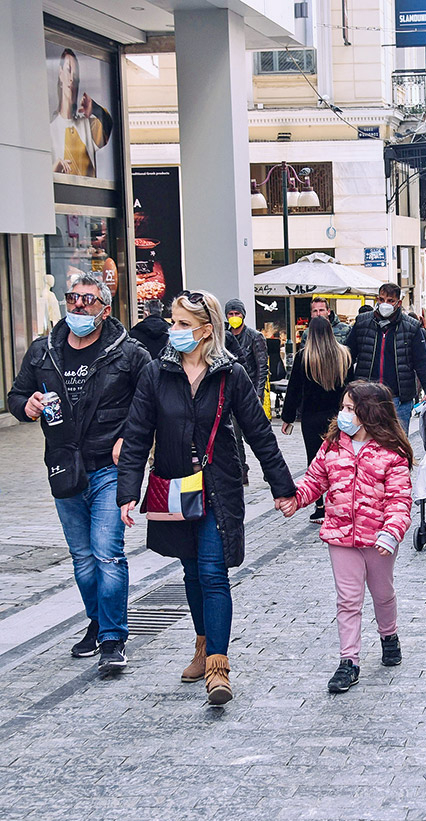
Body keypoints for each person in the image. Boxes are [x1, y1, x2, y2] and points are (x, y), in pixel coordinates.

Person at [117, 291, 295, 705]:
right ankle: (202, 645)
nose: (173, 330)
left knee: (214, 573)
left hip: (218, 487)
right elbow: (138, 432)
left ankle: (218, 665)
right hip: (175, 486)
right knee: (192, 573)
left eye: (182, 324)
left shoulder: (230, 373)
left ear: (205, 330)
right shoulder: (157, 373)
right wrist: (128, 490)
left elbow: (259, 433)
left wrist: (283, 486)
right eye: (173, 322)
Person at [8, 272, 150, 673]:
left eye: (87, 300)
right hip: (64, 466)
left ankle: (112, 637)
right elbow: (16, 396)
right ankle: (97, 620)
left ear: (105, 309)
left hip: (107, 467)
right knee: (83, 558)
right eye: (73, 298)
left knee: (107, 555)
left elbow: (148, 404)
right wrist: (27, 406)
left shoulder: (129, 354)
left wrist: (131, 439)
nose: (78, 306)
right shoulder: (43, 351)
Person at [277, 381, 413, 694]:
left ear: (370, 413)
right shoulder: (333, 445)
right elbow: (315, 479)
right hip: (340, 535)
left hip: (378, 540)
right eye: (343, 408)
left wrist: (391, 531)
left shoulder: (391, 452)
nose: (343, 414)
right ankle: (348, 660)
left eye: (350, 409)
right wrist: (296, 499)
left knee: (383, 594)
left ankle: (388, 634)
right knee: (348, 600)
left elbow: (399, 499)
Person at [281, 316, 351, 522]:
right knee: (339, 460)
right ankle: (339, 501)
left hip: (311, 417)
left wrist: (288, 417)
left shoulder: (304, 357)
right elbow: (350, 387)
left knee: (315, 461)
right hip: (338, 416)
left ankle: (320, 506)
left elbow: (293, 390)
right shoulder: (344, 355)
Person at [344, 283, 426, 432]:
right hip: (365, 396)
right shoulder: (362, 323)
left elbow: (422, 362)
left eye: (390, 300)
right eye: (381, 299)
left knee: (397, 444)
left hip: (398, 399)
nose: (385, 304)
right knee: (365, 442)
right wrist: (347, 388)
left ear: (398, 303)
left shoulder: (411, 327)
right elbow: (348, 357)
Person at [224, 299, 268, 484]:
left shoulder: (254, 336)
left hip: (250, 394)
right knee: (234, 435)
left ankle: (268, 465)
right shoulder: (224, 336)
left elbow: (262, 367)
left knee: (254, 434)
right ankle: (242, 471)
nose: (234, 318)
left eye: (237, 314)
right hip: (231, 393)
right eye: (231, 314)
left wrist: (258, 393)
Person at [50, 48, 113, 177]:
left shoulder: (87, 126)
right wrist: (54, 170)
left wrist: (94, 107)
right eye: (68, 70)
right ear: (60, 73)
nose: (72, 78)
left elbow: (108, 125)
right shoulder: (50, 130)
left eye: (76, 74)